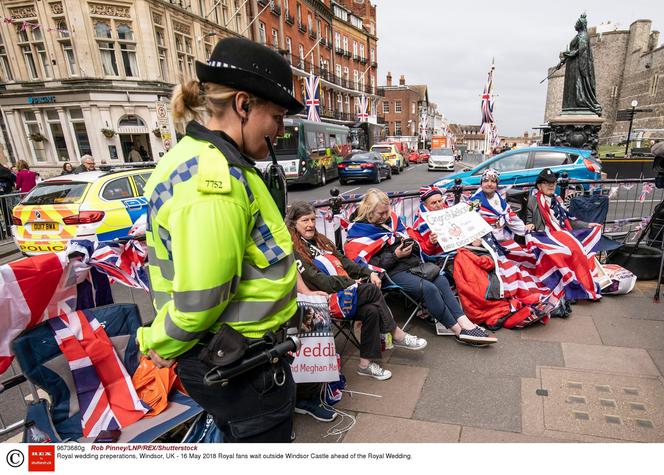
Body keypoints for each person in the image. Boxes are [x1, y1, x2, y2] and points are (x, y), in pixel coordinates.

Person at [137, 36, 305, 443]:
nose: (280, 131)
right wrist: (156, 343)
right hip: (241, 367)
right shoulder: (214, 180)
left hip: (237, 359)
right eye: (277, 116)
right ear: (243, 105)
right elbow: (202, 300)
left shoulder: (205, 160)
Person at [287, 201, 427, 384]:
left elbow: (347, 263)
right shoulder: (295, 249)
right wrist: (351, 283)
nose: (311, 224)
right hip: (322, 301)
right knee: (369, 290)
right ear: (293, 224)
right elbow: (319, 281)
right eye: (305, 220)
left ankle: (365, 365)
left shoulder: (321, 241)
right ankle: (396, 333)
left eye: (313, 219)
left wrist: (369, 272)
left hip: (342, 295)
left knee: (371, 310)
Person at [346, 189, 496, 346]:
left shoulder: (393, 220)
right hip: (390, 272)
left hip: (412, 264)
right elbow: (364, 265)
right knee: (429, 289)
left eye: (387, 211)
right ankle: (458, 330)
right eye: (380, 213)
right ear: (369, 212)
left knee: (442, 281)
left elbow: (416, 242)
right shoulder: (359, 231)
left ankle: (466, 323)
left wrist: (411, 246)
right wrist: (396, 255)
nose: (385, 216)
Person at [471, 168, 534, 241]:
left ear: (496, 185)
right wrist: (475, 238)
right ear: (481, 184)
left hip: (502, 238)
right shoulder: (476, 200)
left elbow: (511, 218)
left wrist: (525, 229)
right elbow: (468, 220)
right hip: (483, 241)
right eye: (485, 181)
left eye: (493, 181)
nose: (489, 184)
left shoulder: (500, 199)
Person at [560, 13, 602, 115]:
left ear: (581, 25)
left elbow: (581, 50)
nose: (575, 25)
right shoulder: (580, 35)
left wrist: (568, 54)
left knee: (576, 87)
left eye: (576, 23)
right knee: (572, 88)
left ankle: (579, 103)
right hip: (573, 65)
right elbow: (575, 50)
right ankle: (571, 105)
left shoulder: (583, 35)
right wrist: (564, 59)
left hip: (577, 66)